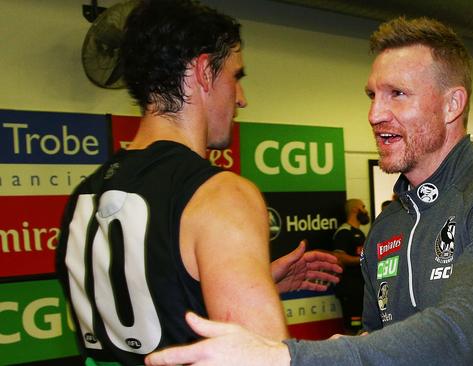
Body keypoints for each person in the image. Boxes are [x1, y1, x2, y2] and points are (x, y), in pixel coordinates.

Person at [146, 16, 473, 366]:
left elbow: (460, 338)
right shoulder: (390, 222)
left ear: (452, 104)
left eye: (397, 94)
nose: (374, 113)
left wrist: (285, 358)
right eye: (372, 95)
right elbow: (377, 337)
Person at [56, 1, 340, 365]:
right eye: (236, 77)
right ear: (205, 71)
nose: (242, 99)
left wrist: (253, 282)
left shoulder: (85, 196)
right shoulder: (221, 194)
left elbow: (152, 310)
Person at [331, 199, 369, 334]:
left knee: (361, 325)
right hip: (349, 287)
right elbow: (339, 257)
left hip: (360, 287)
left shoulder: (360, 233)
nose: (365, 210)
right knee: (352, 325)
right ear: (355, 210)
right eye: (363, 207)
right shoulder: (344, 232)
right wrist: (363, 260)